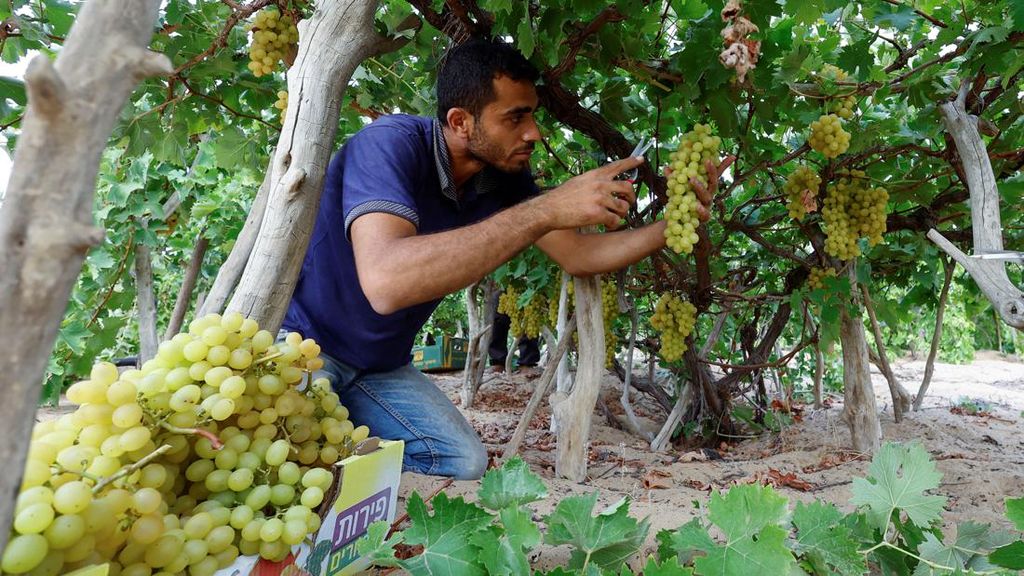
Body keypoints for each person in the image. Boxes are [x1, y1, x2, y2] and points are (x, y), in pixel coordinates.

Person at [282, 38, 723, 480]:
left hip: (378, 366)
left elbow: (578, 255)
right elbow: (386, 281)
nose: (534, 133)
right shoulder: (388, 145)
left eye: (532, 114)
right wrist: (547, 208)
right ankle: (331, 457)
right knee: (291, 454)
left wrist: (675, 226)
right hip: (306, 346)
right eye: (515, 117)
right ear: (459, 121)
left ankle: (344, 456)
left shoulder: (502, 177)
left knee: (464, 461)